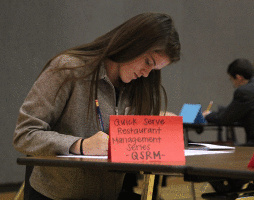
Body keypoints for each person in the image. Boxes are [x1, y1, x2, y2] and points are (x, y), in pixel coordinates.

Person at [13, 12, 180, 200]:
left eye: (155, 69)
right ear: (132, 43)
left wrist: (153, 126)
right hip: (54, 196)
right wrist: (80, 145)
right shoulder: (69, 69)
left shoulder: (138, 87)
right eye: (148, 62)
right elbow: (24, 134)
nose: (146, 73)